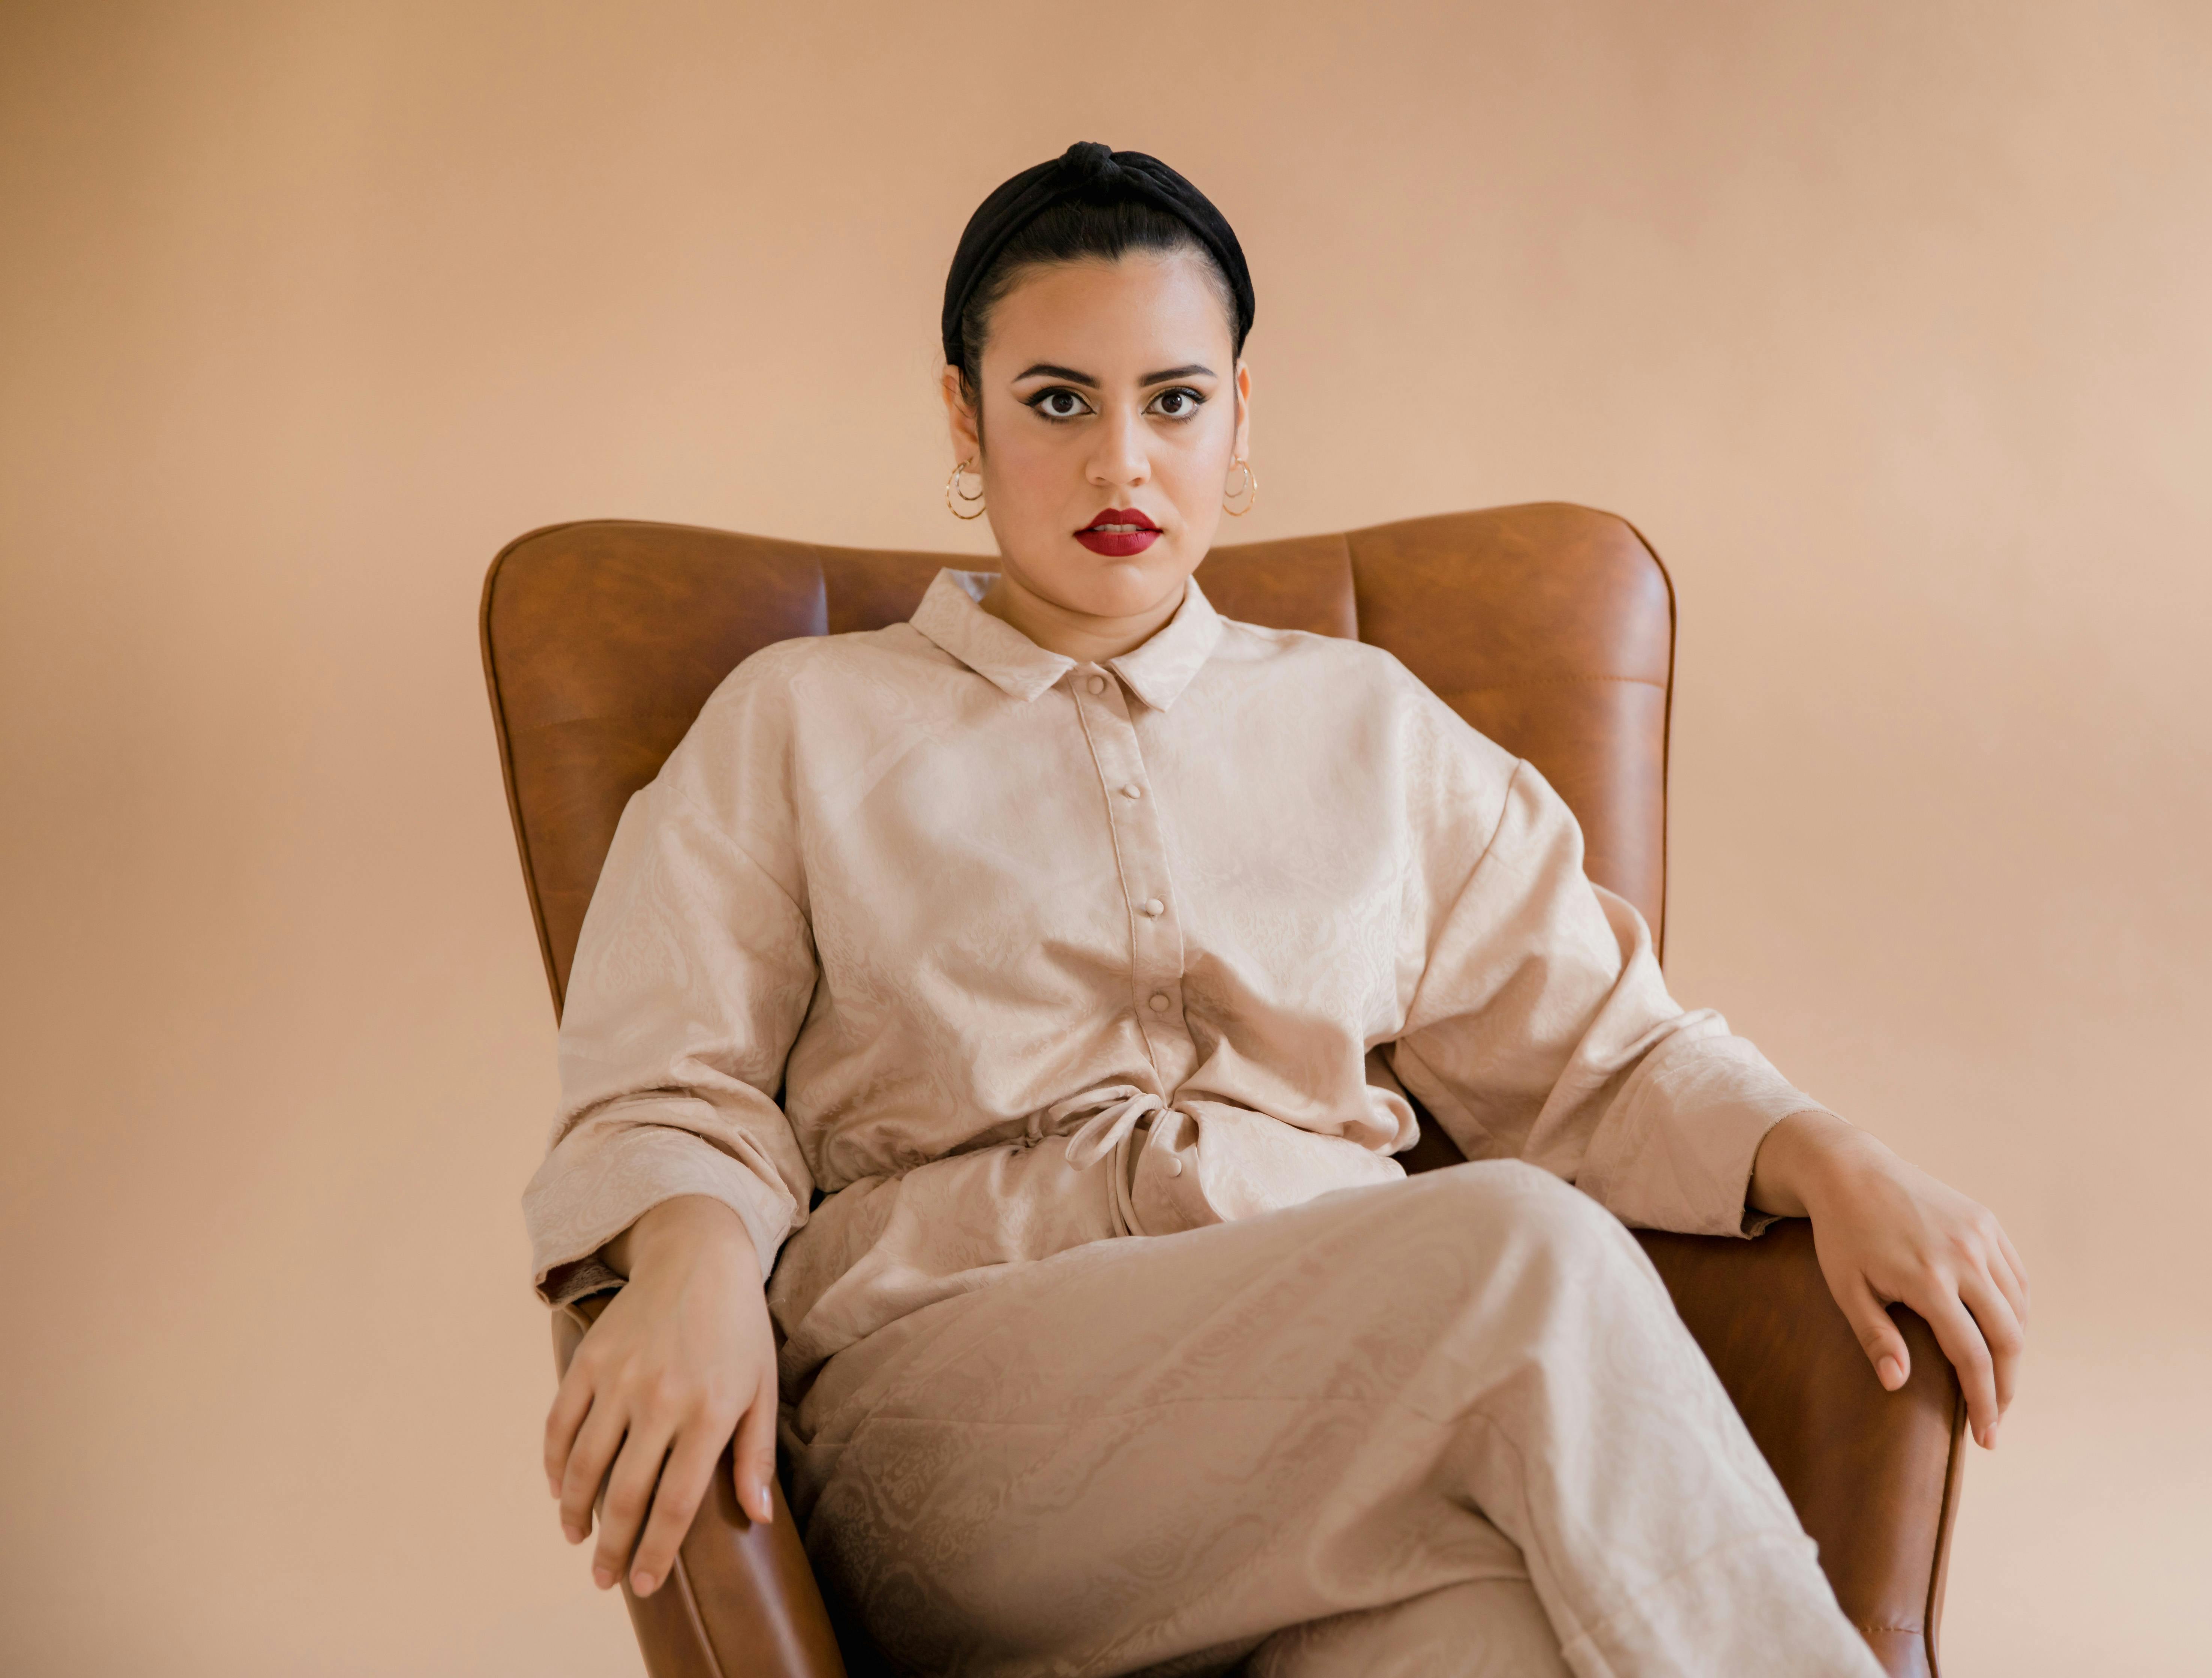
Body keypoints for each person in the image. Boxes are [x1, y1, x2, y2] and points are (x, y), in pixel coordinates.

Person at [526, 142, 2027, 1678]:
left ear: (1241, 415)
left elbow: (1600, 1047)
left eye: (1174, 400)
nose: (1123, 464)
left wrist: (1830, 1155)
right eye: (1059, 401)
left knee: (1504, 1636)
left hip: (1342, 1426)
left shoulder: (1372, 727)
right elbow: (672, 1073)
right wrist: (693, 1253)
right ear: (963, 414)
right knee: (1528, 1247)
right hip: (958, 1425)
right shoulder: (800, 721)